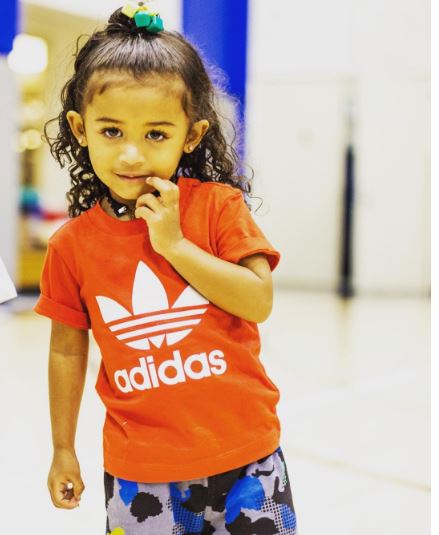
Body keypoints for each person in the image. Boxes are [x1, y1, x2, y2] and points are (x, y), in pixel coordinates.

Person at [35, 2, 298, 534]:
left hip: (247, 460)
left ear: (191, 136)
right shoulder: (70, 246)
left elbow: (258, 300)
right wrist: (63, 447)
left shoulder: (219, 208)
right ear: (80, 129)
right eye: (112, 131)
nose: (131, 155)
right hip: (140, 474)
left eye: (156, 134)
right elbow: (66, 350)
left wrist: (175, 246)